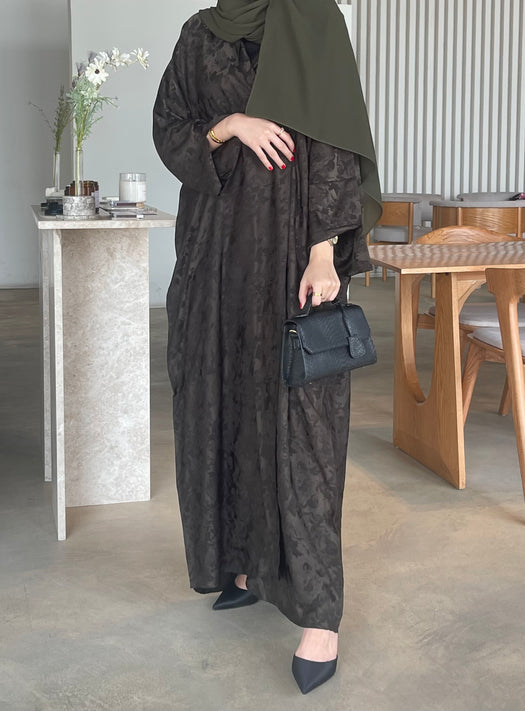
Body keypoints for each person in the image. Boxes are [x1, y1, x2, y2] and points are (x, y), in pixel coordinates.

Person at [153, 0, 381, 695]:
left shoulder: (312, 19)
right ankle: (245, 564)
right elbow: (170, 125)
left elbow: (334, 143)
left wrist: (324, 250)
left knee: (302, 429)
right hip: (213, 255)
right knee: (220, 404)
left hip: (291, 258)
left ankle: (318, 617)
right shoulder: (199, 32)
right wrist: (230, 125)